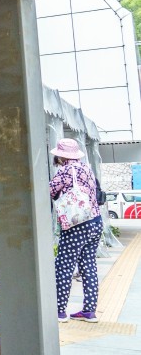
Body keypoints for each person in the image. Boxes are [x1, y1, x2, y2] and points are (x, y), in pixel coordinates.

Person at [50, 138, 102, 323]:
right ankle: (89, 311)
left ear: (62, 156)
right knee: (89, 266)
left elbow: (49, 190)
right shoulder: (87, 168)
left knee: (64, 266)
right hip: (95, 221)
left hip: (77, 225)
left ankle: (59, 310)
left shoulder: (65, 170)